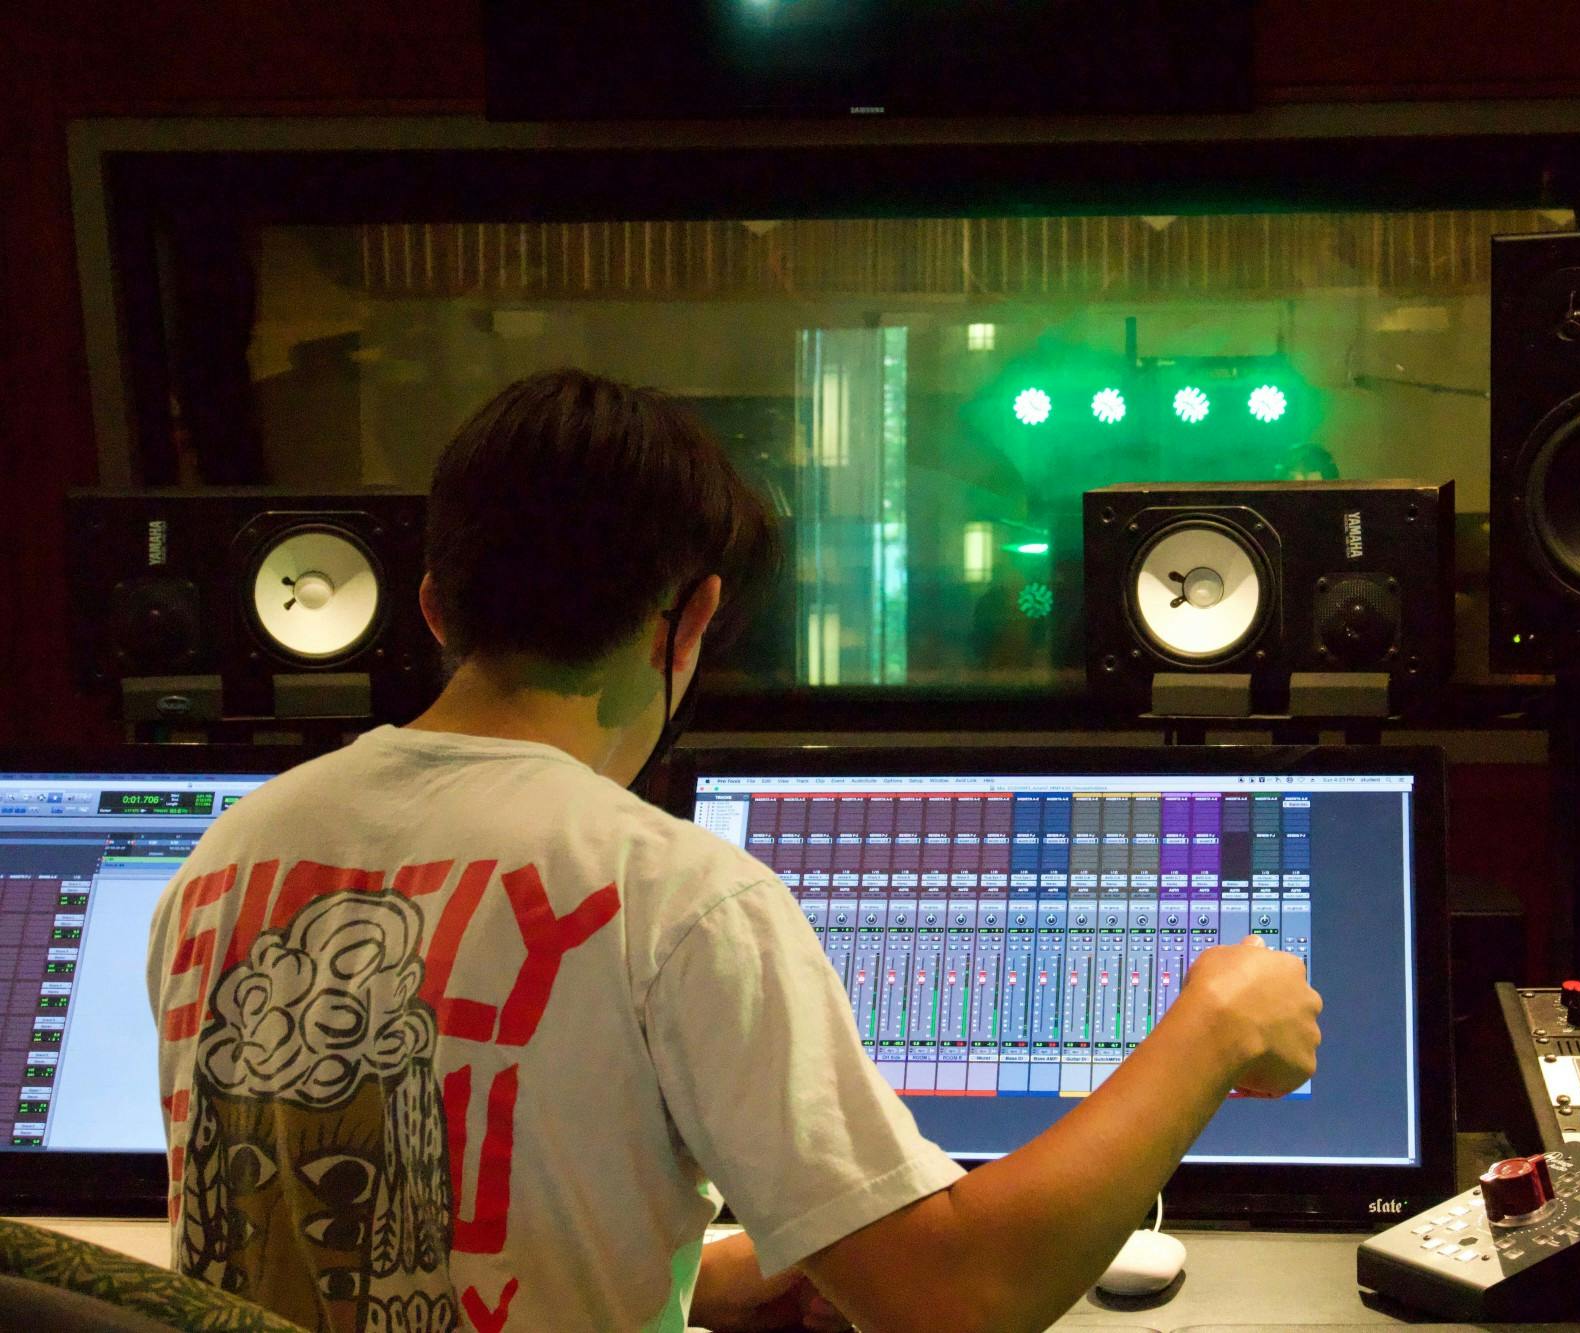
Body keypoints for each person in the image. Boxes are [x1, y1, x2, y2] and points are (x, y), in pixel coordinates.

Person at [148, 369, 1322, 1333]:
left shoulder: (225, 858)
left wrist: (693, 1272)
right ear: (693, 615)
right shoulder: (673, 898)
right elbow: (956, 1298)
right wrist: (1212, 1025)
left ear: (434, 606)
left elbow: (337, 1259)